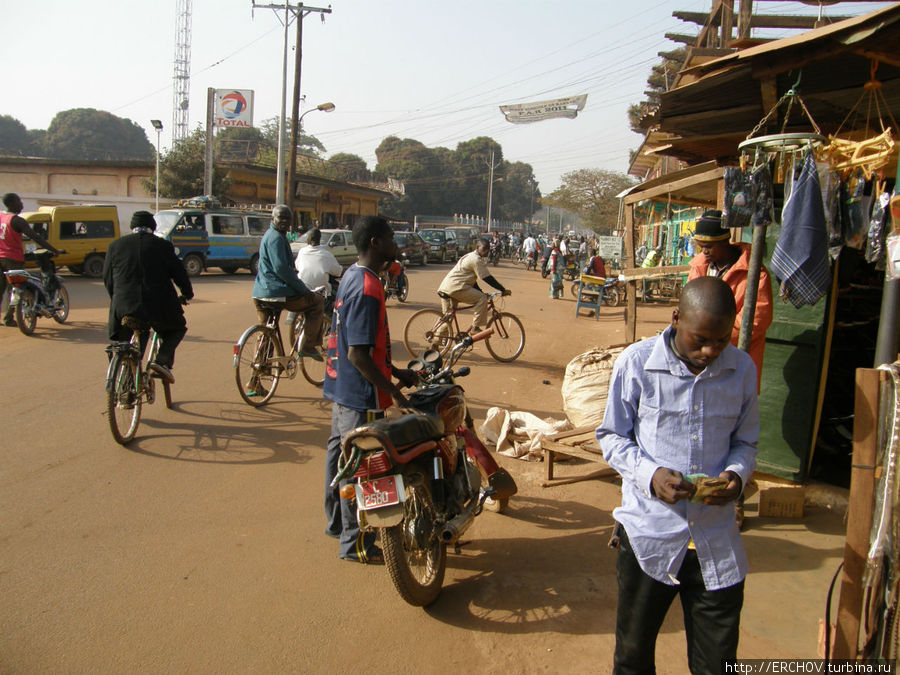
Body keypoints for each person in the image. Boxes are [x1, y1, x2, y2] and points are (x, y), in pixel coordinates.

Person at [597, 277, 758, 675]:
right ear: (675, 319)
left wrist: (735, 477)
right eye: (700, 339)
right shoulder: (637, 364)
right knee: (632, 658)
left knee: (717, 664)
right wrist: (650, 475)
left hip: (715, 543)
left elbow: (746, 442)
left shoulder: (741, 369)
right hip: (649, 537)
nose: (710, 351)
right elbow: (612, 437)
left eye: (721, 341)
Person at [323, 215, 418, 564]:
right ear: (377, 242)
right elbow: (358, 354)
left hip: (340, 386)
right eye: (392, 238)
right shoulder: (368, 288)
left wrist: (396, 371)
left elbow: (363, 342)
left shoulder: (352, 275)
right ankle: (355, 544)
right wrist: (393, 392)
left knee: (338, 461)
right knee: (358, 468)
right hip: (358, 394)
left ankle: (336, 524)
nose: (396, 245)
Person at [687, 209, 773, 393]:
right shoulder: (699, 267)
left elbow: (756, 320)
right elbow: (689, 308)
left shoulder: (755, 273)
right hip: (701, 360)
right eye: (701, 246)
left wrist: (710, 338)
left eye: (709, 246)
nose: (704, 251)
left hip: (736, 360)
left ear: (725, 241)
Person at [103, 211, 194, 383]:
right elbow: (179, 274)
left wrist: (117, 300)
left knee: (123, 341)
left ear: (132, 227)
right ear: (152, 227)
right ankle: (162, 360)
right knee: (177, 328)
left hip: (122, 306)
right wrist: (187, 294)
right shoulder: (163, 246)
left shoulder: (115, 246)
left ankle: (127, 383)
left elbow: (108, 278)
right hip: (157, 306)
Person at [252, 204, 324, 359]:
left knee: (266, 332)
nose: (284, 221)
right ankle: (308, 346)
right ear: (273, 219)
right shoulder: (276, 238)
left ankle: (258, 372)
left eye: (288, 219)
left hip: (260, 292)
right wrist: (303, 290)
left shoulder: (271, 235)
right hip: (277, 292)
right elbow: (281, 269)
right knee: (317, 302)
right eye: (281, 218)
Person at [0, 193, 61, 326]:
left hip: (0, 256)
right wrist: (53, 250)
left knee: (1, 289)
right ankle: (8, 318)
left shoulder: (1, 216)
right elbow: (35, 237)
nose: (22, 205)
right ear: (11, 204)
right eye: (19, 202)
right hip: (13, 258)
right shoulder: (17, 220)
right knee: (16, 288)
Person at [437, 237, 511, 332]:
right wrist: (502, 289)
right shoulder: (476, 260)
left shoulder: (469, 256)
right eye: (484, 249)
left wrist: (480, 291)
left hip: (447, 288)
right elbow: (487, 278)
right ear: (478, 248)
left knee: (448, 318)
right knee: (482, 299)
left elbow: (471, 281)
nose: (485, 252)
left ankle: (436, 344)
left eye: (486, 249)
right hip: (456, 288)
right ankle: (475, 327)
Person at [288, 226, 342, 322]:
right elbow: (338, 272)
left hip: (301, 290)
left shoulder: (302, 252)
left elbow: (297, 266)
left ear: (308, 239)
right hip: (319, 294)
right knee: (335, 299)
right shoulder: (326, 254)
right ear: (319, 239)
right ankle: (331, 324)